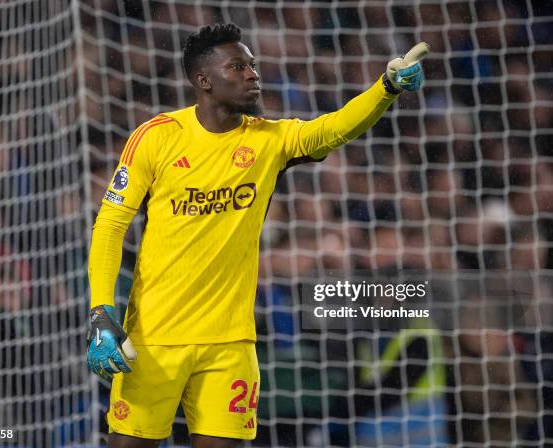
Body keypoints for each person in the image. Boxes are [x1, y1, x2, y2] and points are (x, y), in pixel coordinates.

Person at [86, 23, 427, 448]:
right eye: (238, 66)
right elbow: (110, 225)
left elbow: (334, 128)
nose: (253, 74)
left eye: (252, 65)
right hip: (155, 339)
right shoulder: (156, 138)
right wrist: (102, 312)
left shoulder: (269, 141)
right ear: (203, 80)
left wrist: (386, 87)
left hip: (230, 345)